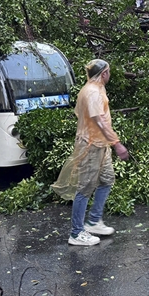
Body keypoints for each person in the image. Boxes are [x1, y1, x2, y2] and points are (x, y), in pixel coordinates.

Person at [52, 60, 129, 247]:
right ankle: (76, 233)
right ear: (104, 73)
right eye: (108, 71)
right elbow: (100, 121)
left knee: (107, 179)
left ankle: (94, 221)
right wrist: (117, 144)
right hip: (91, 145)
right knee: (85, 187)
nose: (109, 75)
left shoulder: (98, 88)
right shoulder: (92, 92)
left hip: (102, 145)